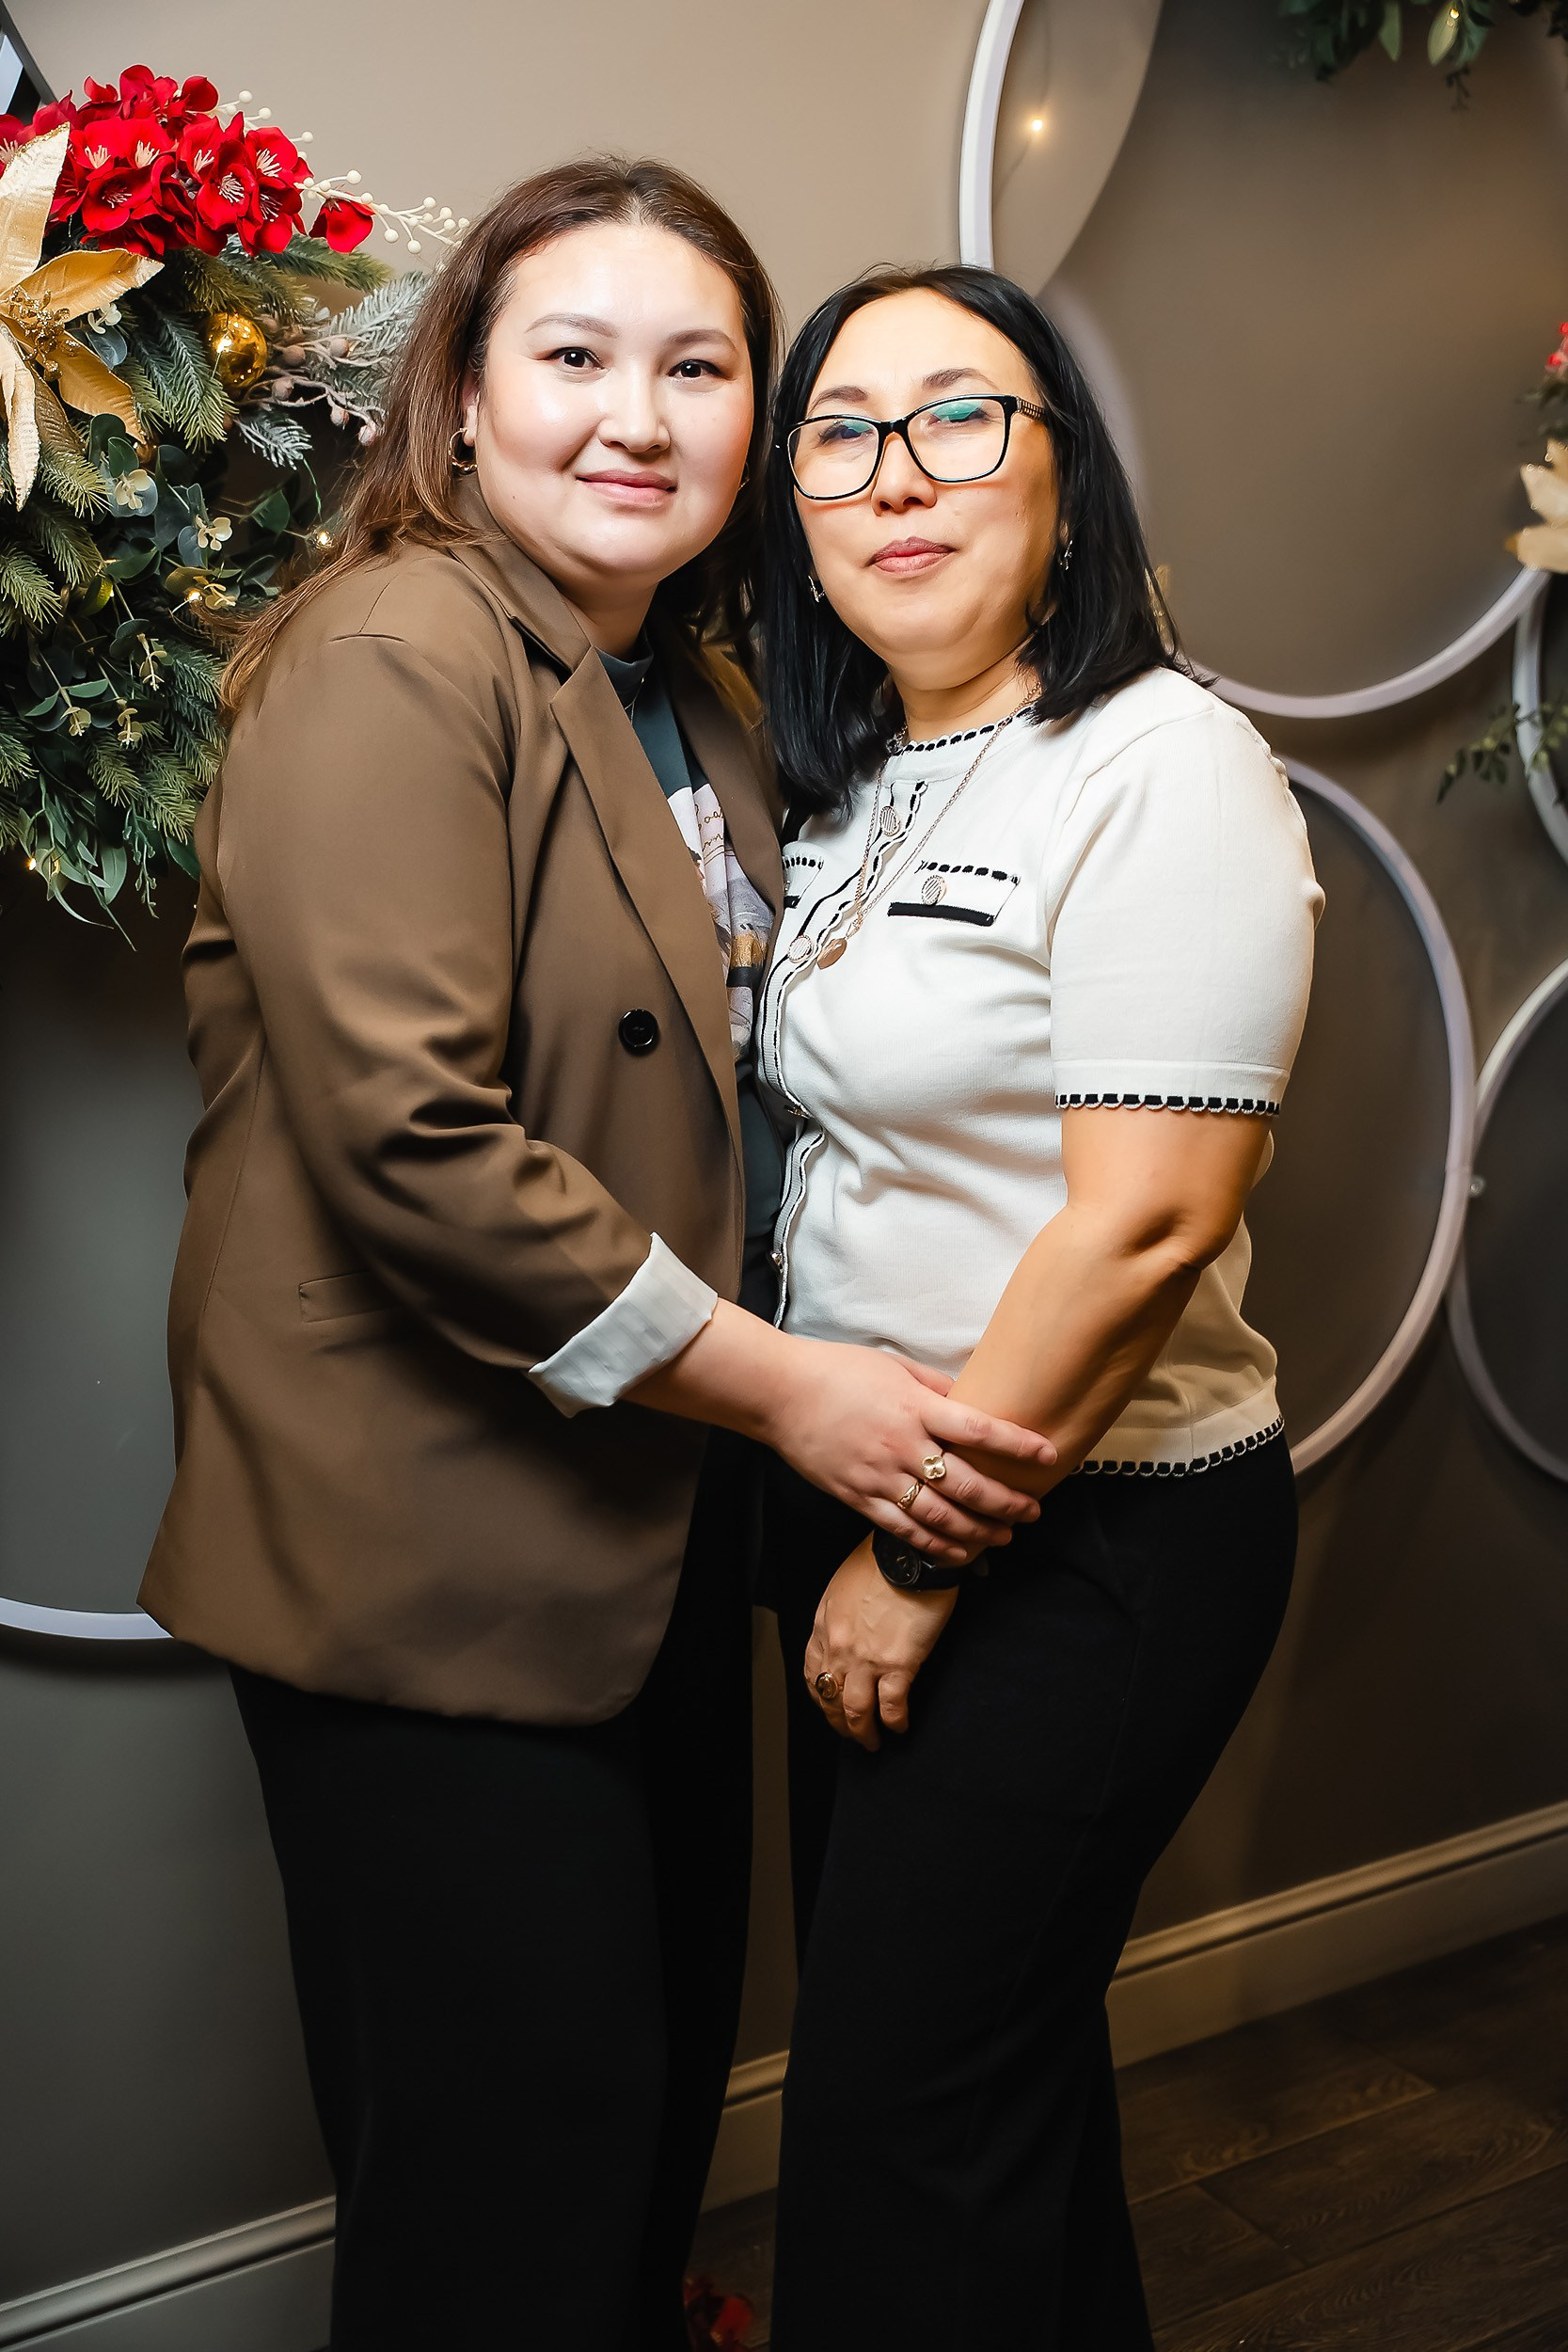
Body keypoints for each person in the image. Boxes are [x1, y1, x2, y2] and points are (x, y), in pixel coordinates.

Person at [139, 180, 1054, 2352]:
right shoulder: (395, 651)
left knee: (624, 2152)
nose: (638, 415)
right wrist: (796, 1388)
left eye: (699, 365)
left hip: (640, 1541)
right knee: (501, 2205)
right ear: (460, 397)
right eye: (574, 355)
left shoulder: (693, 686)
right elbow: (412, 1147)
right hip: (428, 1555)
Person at [755, 263, 1323, 2350]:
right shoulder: (849, 782)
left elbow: (1147, 1228)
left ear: (1065, 481)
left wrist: (919, 1555)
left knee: (903, 2128)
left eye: (960, 417)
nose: (897, 474)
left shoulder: (1164, 759)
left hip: (1079, 1534)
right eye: (842, 432)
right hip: (868, 1498)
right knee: (993, 2096)